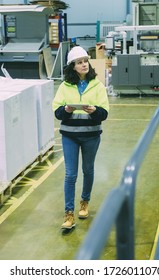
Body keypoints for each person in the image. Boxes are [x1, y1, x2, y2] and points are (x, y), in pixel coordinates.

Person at [52, 46, 109, 229]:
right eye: (79, 62)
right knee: (70, 174)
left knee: (88, 170)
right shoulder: (64, 86)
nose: (84, 65)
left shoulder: (97, 85)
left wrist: (94, 111)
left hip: (91, 136)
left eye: (85, 61)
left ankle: (85, 201)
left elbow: (104, 113)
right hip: (70, 136)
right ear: (72, 66)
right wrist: (66, 110)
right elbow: (57, 112)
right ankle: (69, 213)